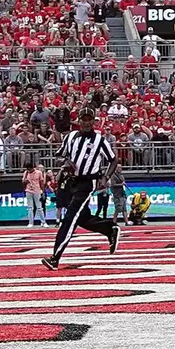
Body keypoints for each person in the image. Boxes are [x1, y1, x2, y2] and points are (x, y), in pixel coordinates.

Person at [42, 107, 122, 269]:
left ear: (93, 121)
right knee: (81, 217)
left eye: (88, 119)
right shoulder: (71, 137)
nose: (86, 122)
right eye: (83, 119)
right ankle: (109, 228)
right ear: (78, 120)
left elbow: (113, 159)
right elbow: (59, 155)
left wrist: (105, 177)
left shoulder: (100, 140)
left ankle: (55, 257)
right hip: (72, 181)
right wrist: (65, 164)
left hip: (87, 182)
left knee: (70, 217)